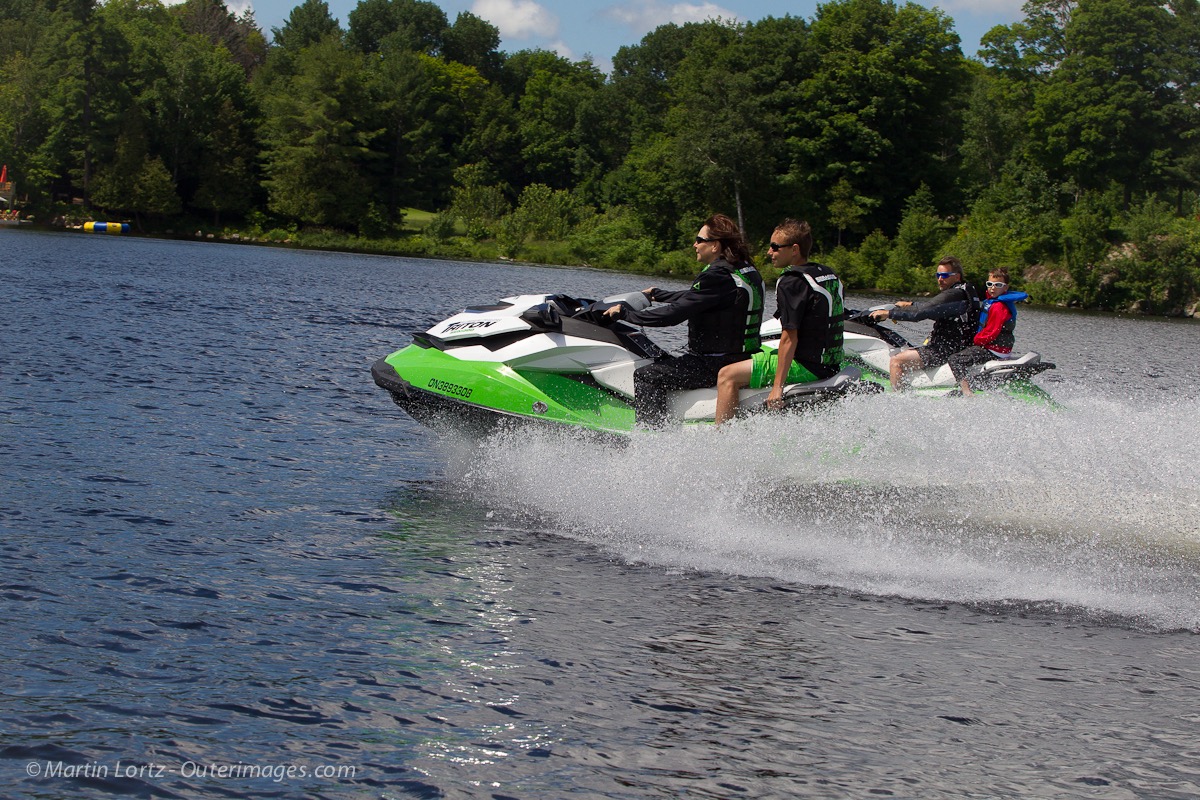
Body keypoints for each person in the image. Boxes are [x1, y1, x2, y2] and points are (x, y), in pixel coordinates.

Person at [605, 213, 765, 427]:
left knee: (647, 376)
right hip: (744, 358)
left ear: (715, 245)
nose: (694, 244)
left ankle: (651, 437)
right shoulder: (746, 270)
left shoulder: (714, 275)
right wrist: (658, 294)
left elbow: (672, 316)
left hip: (714, 363)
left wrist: (626, 315)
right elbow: (701, 298)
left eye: (700, 240)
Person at [713, 219, 844, 424]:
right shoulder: (826, 274)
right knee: (756, 351)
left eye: (775, 247)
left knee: (727, 374)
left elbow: (789, 337)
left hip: (807, 366)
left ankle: (722, 437)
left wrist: (777, 387)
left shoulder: (791, 282)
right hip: (830, 362)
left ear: (794, 250)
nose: (769, 252)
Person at [869, 256, 980, 391]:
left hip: (943, 350)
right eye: (938, 275)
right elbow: (936, 309)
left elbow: (920, 313)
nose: (940, 279)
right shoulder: (965, 291)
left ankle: (897, 398)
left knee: (896, 361)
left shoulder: (954, 294)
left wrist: (889, 314)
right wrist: (912, 304)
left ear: (956, 277)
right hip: (959, 347)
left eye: (944, 275)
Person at [947, 268, 1028, 395]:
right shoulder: (993, 303)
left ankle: (966, 392)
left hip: (993, 350)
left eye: (998, 285)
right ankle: (974, 383)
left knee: (954, 359)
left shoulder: (998, 307)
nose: (993, 288)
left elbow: (992, 332)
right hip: (999, 349)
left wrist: (975, 340)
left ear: (1005, 288)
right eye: (990, 284)